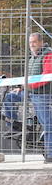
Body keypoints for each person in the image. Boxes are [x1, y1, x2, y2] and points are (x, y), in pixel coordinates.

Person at [26, 32, 52, 162]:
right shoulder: (33, 58)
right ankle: (16, 126)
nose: (32, 45)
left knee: (48, 124)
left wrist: (30, 86)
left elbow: (47, 76)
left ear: (41, 42)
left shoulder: (48, 55)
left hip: (43, 95)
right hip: (33, 93)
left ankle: (50, 154)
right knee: (9, 98)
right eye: (30, 42)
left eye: (34, 42)